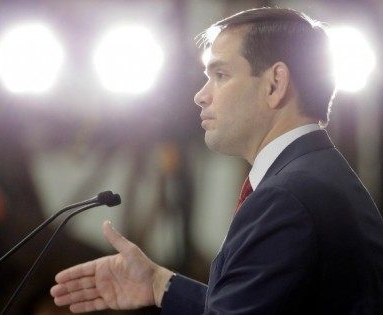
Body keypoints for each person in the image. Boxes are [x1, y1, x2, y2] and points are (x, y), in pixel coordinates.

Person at [50, 7, 383, 314]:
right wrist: (158, 283)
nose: (201, 94)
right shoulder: (315, 177)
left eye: (220, 75)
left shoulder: (286, 197)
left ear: (275, 83)